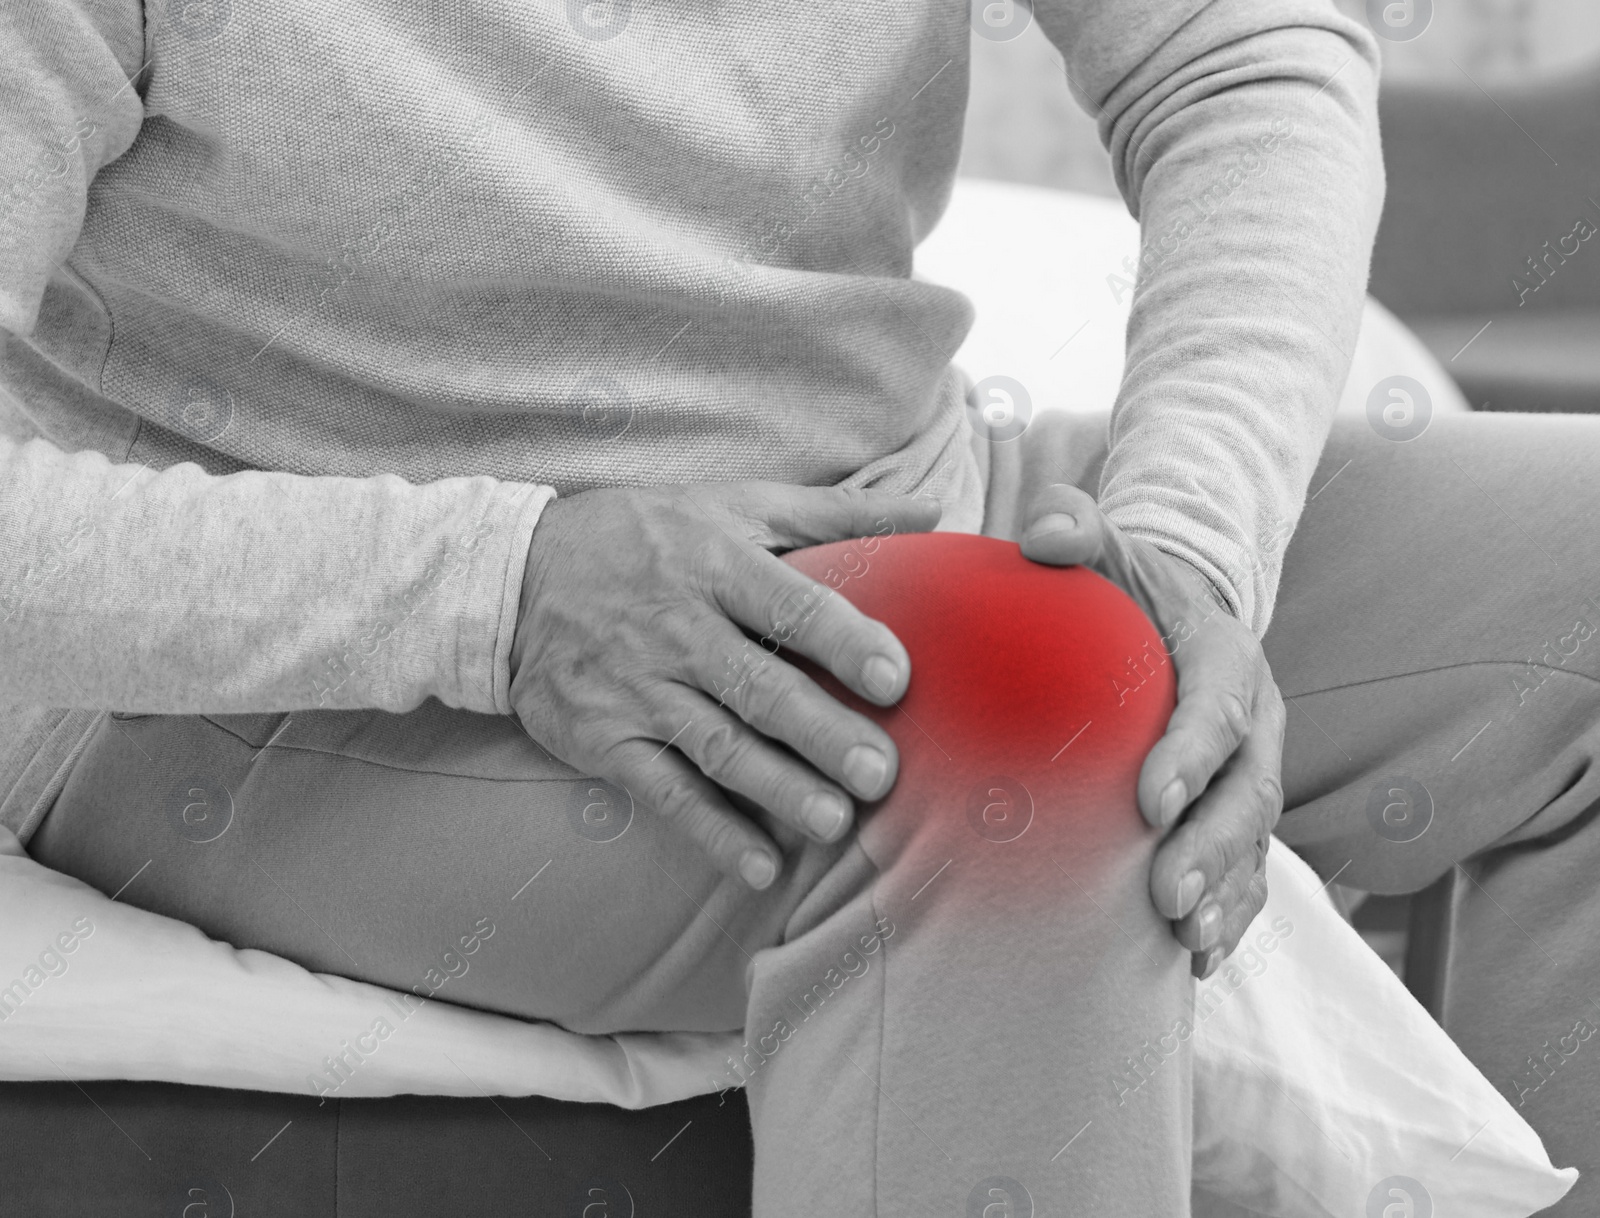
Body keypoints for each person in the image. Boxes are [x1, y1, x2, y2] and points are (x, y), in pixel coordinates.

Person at [12, 0, 1587, 1212]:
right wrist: (504, 586)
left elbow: (1241, 57)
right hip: (299, 655)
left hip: (909, 497)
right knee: (1033, 726)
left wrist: (1188, 548)